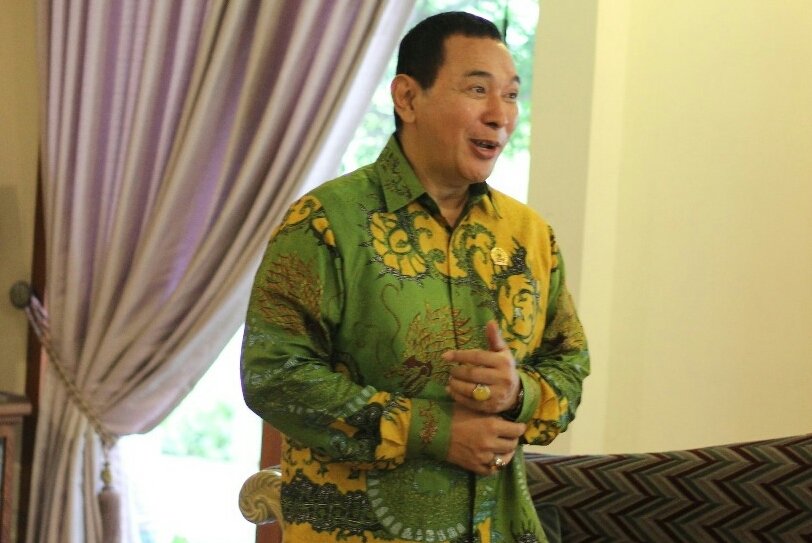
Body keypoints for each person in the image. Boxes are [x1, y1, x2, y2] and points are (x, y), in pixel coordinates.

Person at [241, 11, 589, 543]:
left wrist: (517, 392)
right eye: (478, 90)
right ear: (407, 98)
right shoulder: (324, 223)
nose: (499, 115)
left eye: (511, 95)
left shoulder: (529, 236)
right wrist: (434, 431)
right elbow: (274, 375)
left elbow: (570, 364)